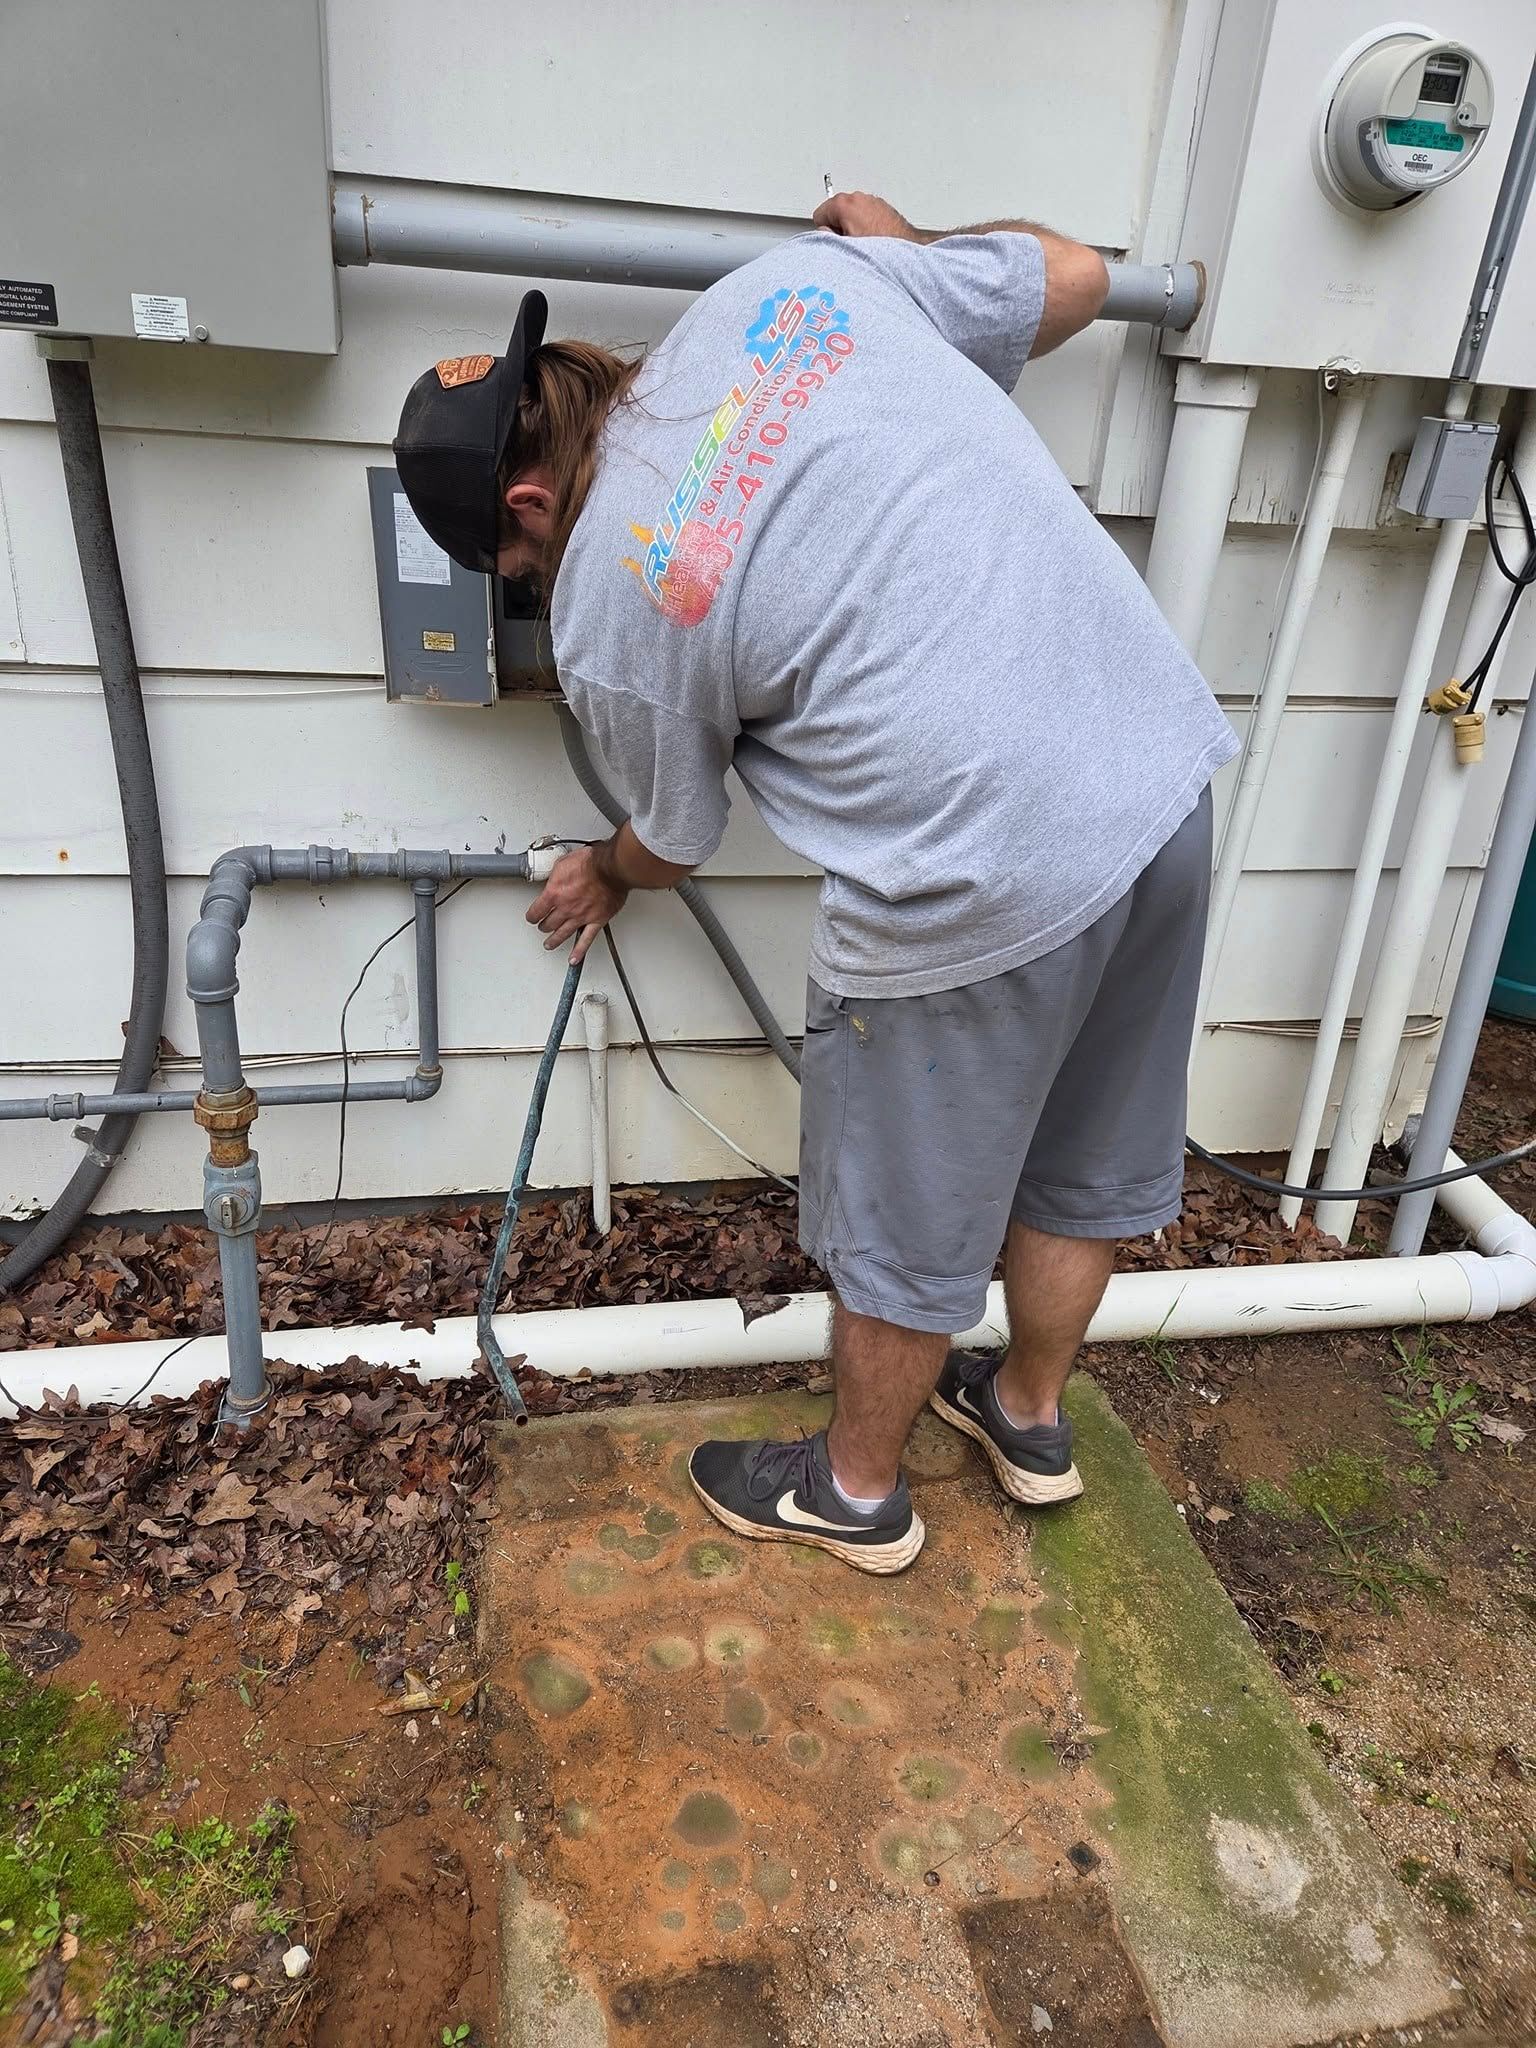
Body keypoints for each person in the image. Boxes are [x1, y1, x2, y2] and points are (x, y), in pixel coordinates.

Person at [393, 189, 1237, 1575]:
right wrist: (906, 247)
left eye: (517, 566)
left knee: (909, 1213)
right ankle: (1026, 1416)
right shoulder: (796, 293)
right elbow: (1078, 276)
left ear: (530, 506)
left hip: (973, 865)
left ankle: (854, 1494)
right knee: (1082, 1161)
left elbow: (675, 834)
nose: (537, 584)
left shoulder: (614, 599)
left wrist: (604, 871)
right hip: (1156, 778)